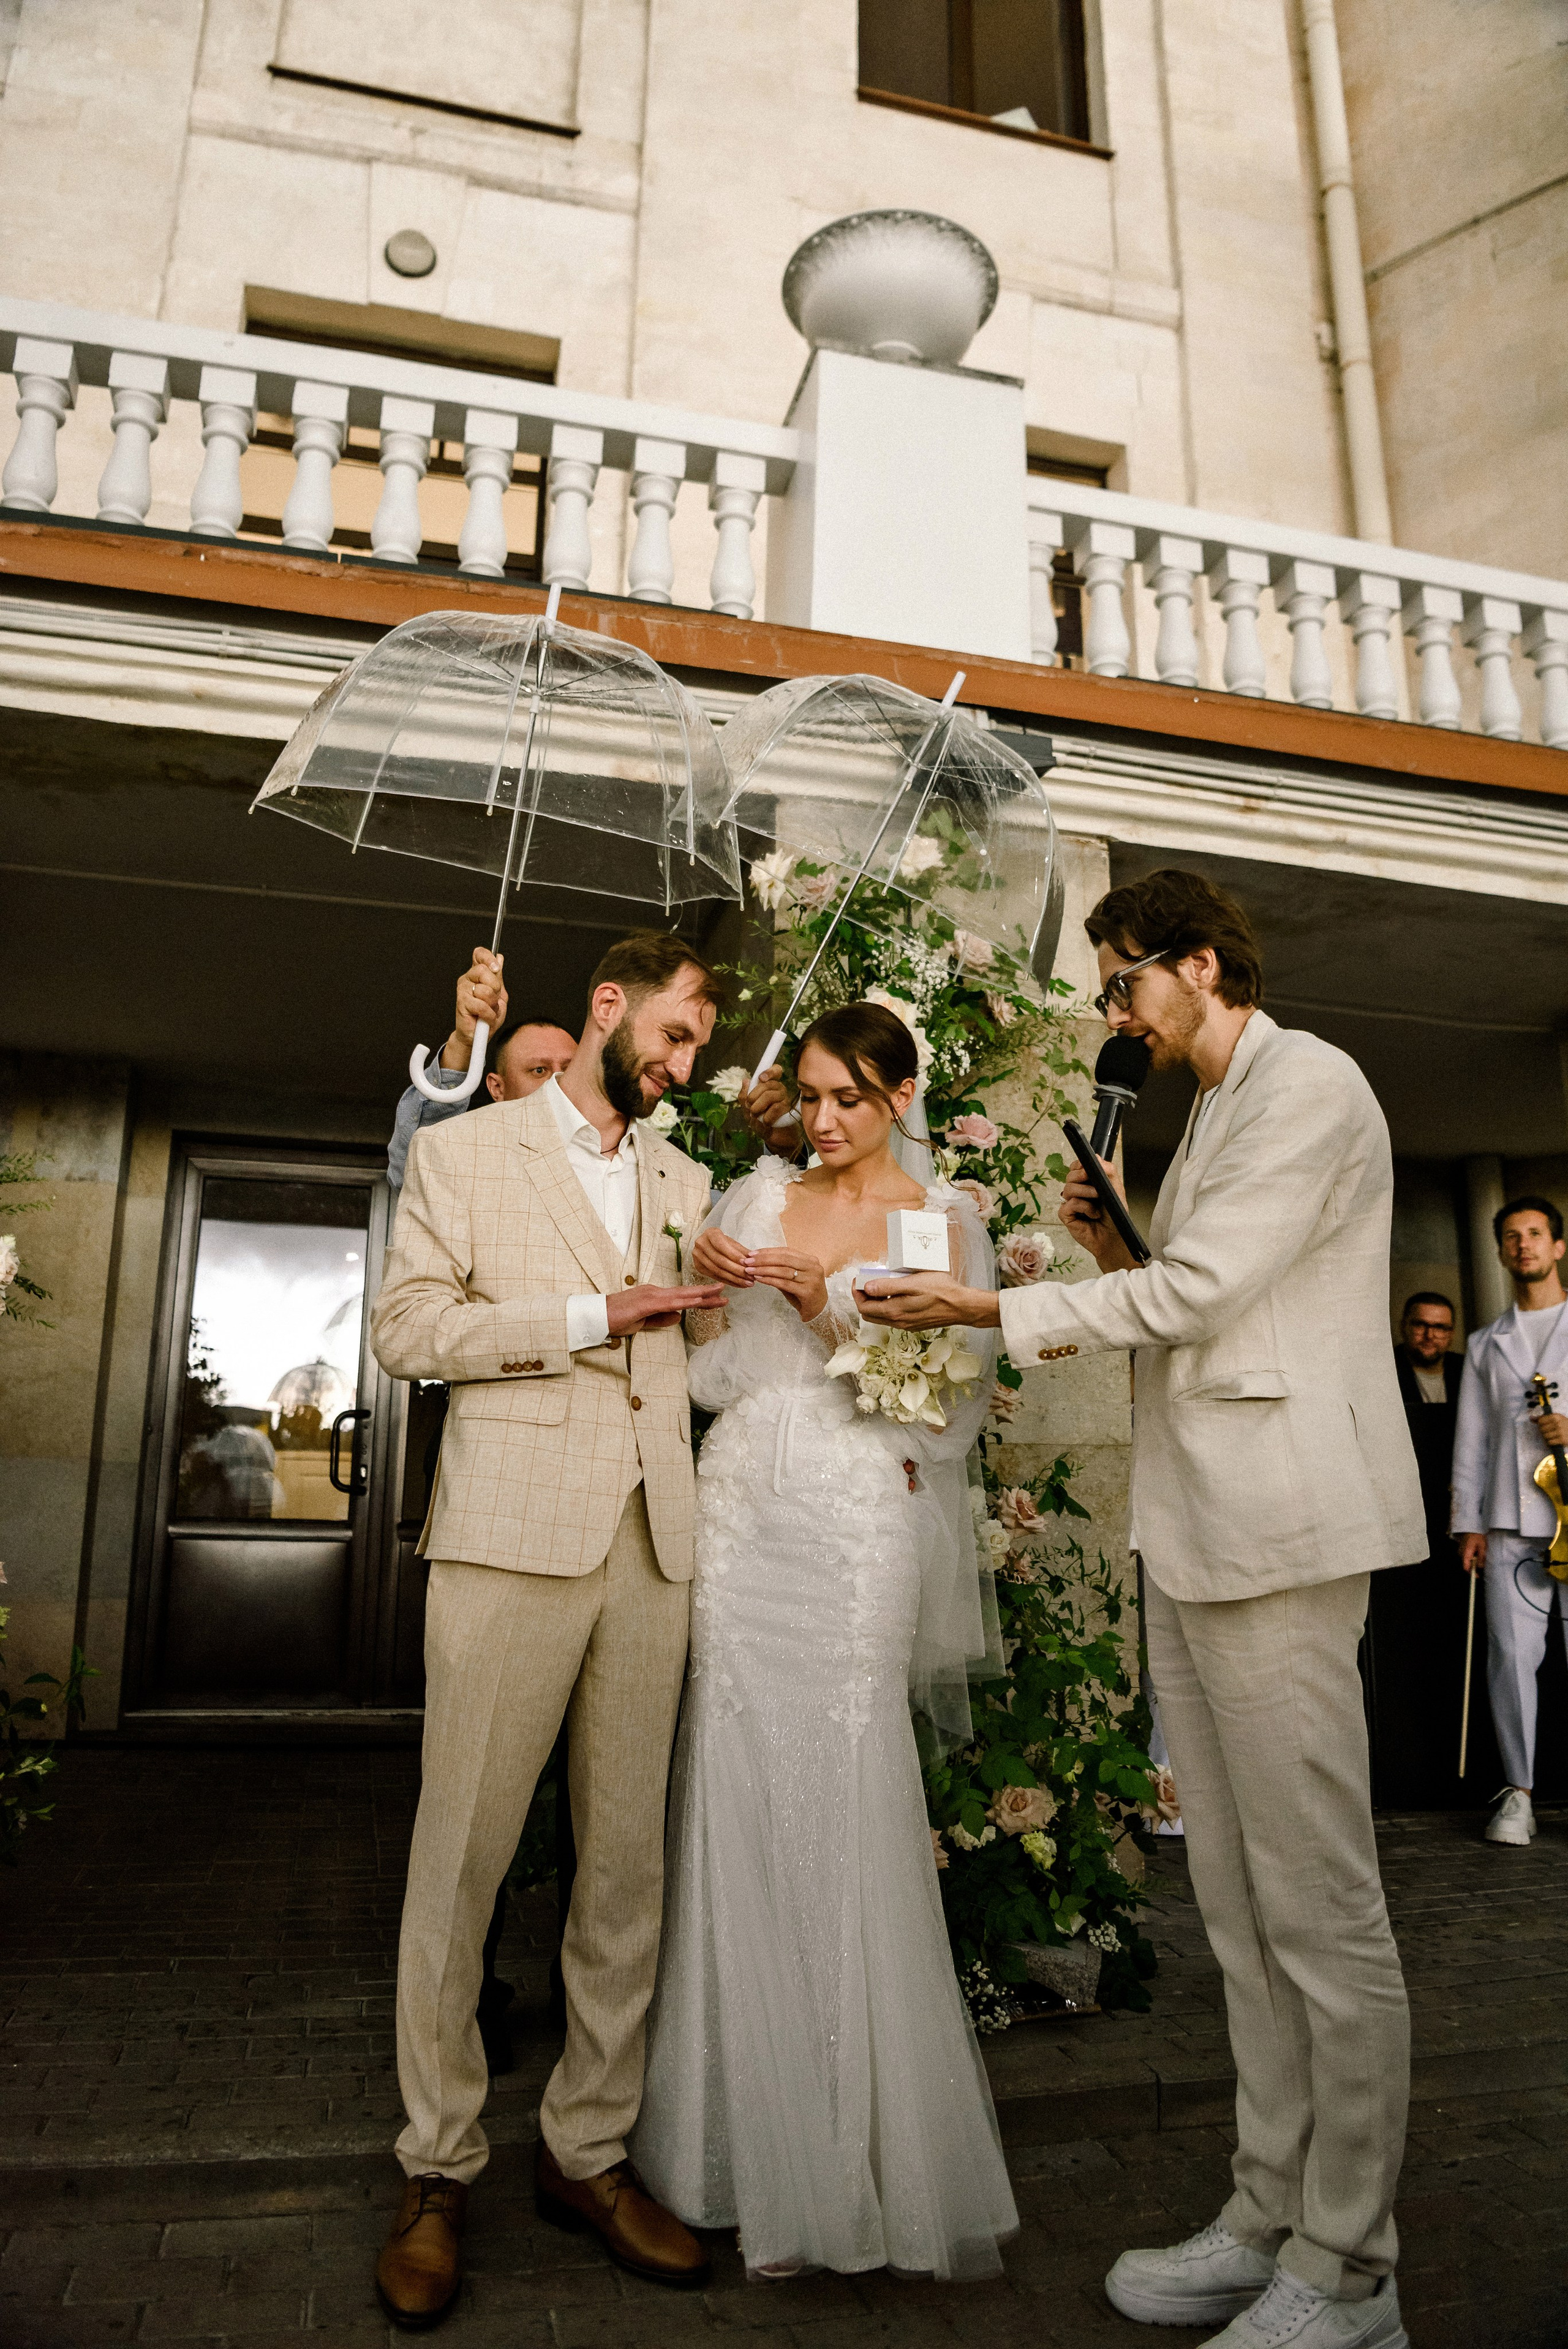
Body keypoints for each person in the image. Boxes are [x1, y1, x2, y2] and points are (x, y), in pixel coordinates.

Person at [859, 868, 1423, 2349]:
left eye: (1122, 983)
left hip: (1284, 1529)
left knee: (1319, 1910)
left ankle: (1351, 2266)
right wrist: (1120, 1240)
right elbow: (1193, 1284)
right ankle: (1264, 2210)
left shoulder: (1308, 1082)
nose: (1115, 1012)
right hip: (1198, 1528)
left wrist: (996, 1307)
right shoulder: (1217, 1103)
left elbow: (1205, 1295)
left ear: (1193, 962)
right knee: (1235, 1907)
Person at [367, 930, 727, 2327]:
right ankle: (437, 2163)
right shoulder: (468, 1151)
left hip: (653, 1551)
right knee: (459, 1860)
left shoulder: (683, 1176)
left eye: (697, 1045)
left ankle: (586, 2148)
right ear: (607, 1006)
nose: (682, 1062)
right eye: (676, 1034)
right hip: (507, 1540)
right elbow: (405, 1328)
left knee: (623, 1872)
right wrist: (591, 1310)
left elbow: (698, 1355)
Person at [630, 1001, 1017, 2280]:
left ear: (900, 1094)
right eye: (808, 1094)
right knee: (733, 1791)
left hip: (857, 1524)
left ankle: (852, 2161)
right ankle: (737, 2151)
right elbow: (700, 1373)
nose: (823, 1119)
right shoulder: (752, 1194)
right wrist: (700, 1283)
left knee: (843, 1795)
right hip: (746, 1514)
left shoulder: (938, 1222)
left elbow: (942, 1414)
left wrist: (825, 1313)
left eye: (849, 1097)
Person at [1450, 1196, 1568, 1848]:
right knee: (1509, 1660)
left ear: (1556, 1246)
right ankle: (1518, 1794)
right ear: (1500, 1251)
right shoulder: (1483, 1342)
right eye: (1510, 1236)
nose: (1521, 1245)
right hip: (1506, 1521)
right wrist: (1468, 1523)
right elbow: (1471, 1440)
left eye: (1534, 1234)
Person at [1362, 1296, 1469, 1804]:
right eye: (1421, 1326)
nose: (1430, 1336)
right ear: (1405, 1327)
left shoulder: (1470, 1371)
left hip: (1458, 1524)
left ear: (1452, 1333)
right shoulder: (1382, 1368)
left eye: (1441, 1328)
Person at [387, 946, 578, 1190]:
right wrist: (465, 1043)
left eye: (569, 1069)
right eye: (539, 1070)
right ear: (497, 1088)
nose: (558, 1081)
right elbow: (416, 1171)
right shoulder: (477, 1164)